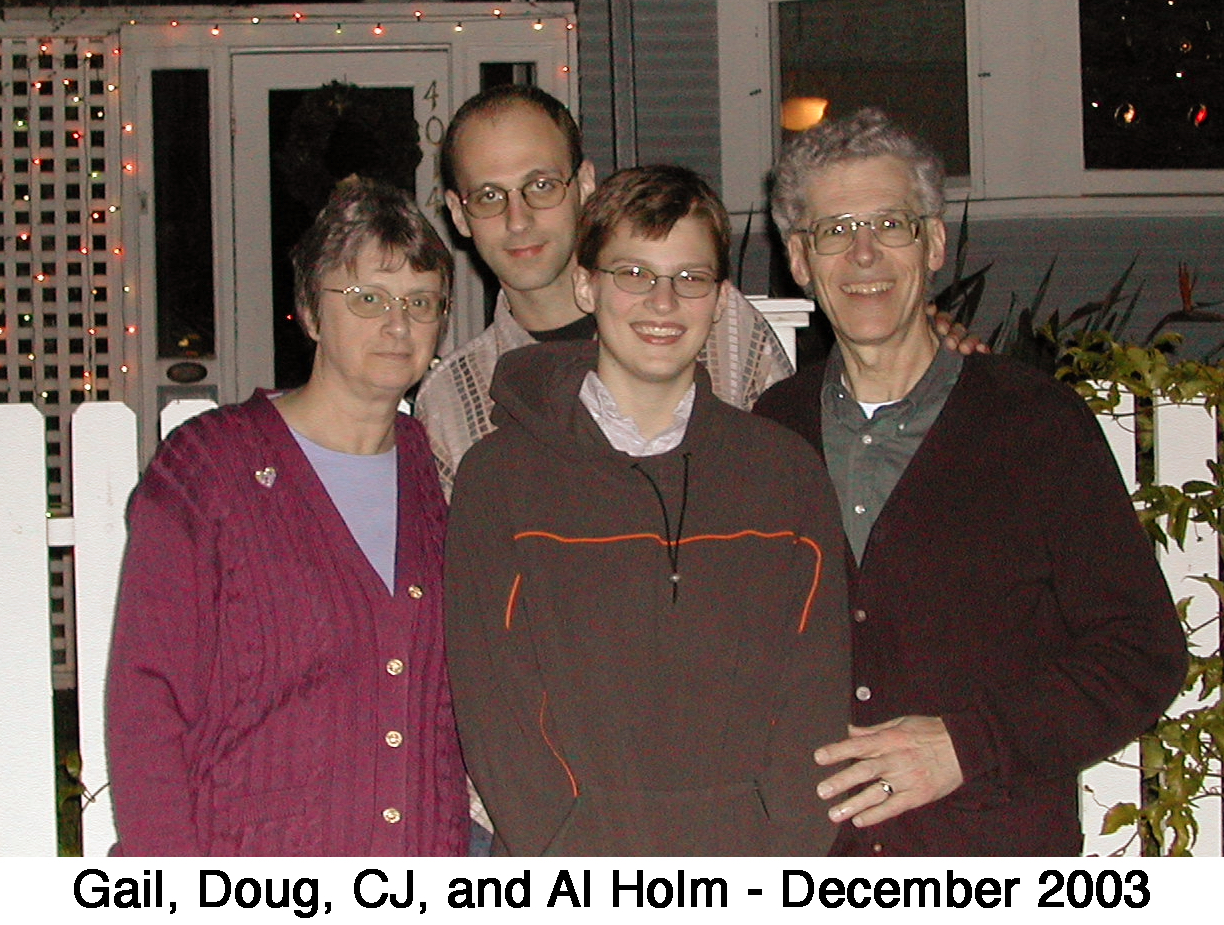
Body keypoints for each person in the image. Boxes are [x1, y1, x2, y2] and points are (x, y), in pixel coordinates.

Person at [754, 108, 1188, 855]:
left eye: (890, 224)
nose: (863, 255)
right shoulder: (772, 429)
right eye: (834, 230)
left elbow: (1142, 649)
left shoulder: (1036, 427)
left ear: (934, 243)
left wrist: (965, 745)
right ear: (799, 258)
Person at [444, 165, 851, 855]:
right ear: (585, 285)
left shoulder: (786, 475)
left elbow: (816, 694)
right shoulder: (499, 480)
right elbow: (496, 714)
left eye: (689, 278)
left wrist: (783, 863)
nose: (662, 302)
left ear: (721, 299)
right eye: (633, 273)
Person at [106, 177, 469, 855]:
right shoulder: (208, 470)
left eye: (420, 302)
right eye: (367, 298)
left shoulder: (440, 471)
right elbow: (146, 702)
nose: (398, 324)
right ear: (308, 309)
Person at [415, 84, 795, 498]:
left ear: (583, 184)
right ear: (459, 214)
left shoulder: (716, 327)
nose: (517, 219)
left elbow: (791, 488)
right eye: (489, 196)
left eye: (541, 185)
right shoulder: (451, 401)